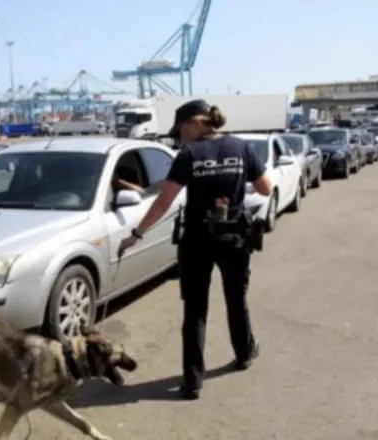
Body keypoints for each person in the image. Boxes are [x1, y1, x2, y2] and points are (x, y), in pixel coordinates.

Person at [117, 99, 273, 400]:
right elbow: (265, 188)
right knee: (236, 300)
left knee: (195, 311)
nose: (179, 136)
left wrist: (136, 234)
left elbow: (163, 202)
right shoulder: (241, 148)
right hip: (233, 239)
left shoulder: (189, 155)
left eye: (181, 129)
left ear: (195, 123)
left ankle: (192, 381)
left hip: (197, 241)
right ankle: (244, 354)